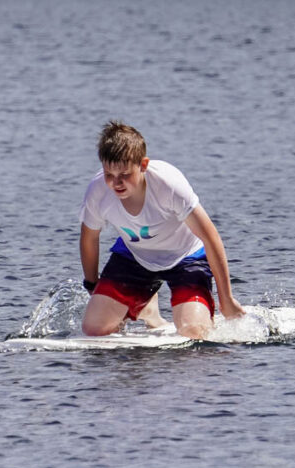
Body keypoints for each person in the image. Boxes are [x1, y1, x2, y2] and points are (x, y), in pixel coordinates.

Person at [79, 121, 246, 339]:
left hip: (186, 258)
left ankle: (163, 303)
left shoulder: (169, 184)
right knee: (94, 329)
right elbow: (89, 238)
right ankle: (147, 305)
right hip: (135, 256)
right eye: (109, 174)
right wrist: (92, 285)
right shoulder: (98, 191)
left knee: (194, 333)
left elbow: (210, 236)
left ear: (143, 165)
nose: (116, 183)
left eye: (125, 175)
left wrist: (227, 300)